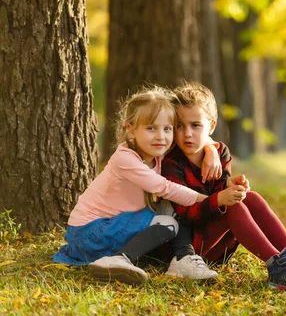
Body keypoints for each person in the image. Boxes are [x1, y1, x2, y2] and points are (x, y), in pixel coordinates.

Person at [161, 82, 286, 290]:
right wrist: (221, 198)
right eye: (179, 125)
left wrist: (229, 184)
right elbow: (184, 213)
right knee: (233, 205)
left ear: (211, 126)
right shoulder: (170, 163)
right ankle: (277, 268)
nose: (187, 134)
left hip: (217, 241)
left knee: (252, 197)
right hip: (189, 251)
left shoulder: (220, 152)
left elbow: (219, 186)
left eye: (195, 125)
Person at [52, 86, 222, 285]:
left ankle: (182, 259)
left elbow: (195, 136)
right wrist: (208, 200)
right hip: (89, 232)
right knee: (169, 222)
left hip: (110, 226)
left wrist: (211, 149)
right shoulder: (125, 159)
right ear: (130, 129)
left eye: (167, 129)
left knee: (171, 208)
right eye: (151, 128)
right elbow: (164, 188)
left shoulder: (156, 152)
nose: (161, 136)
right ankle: (119, 259)